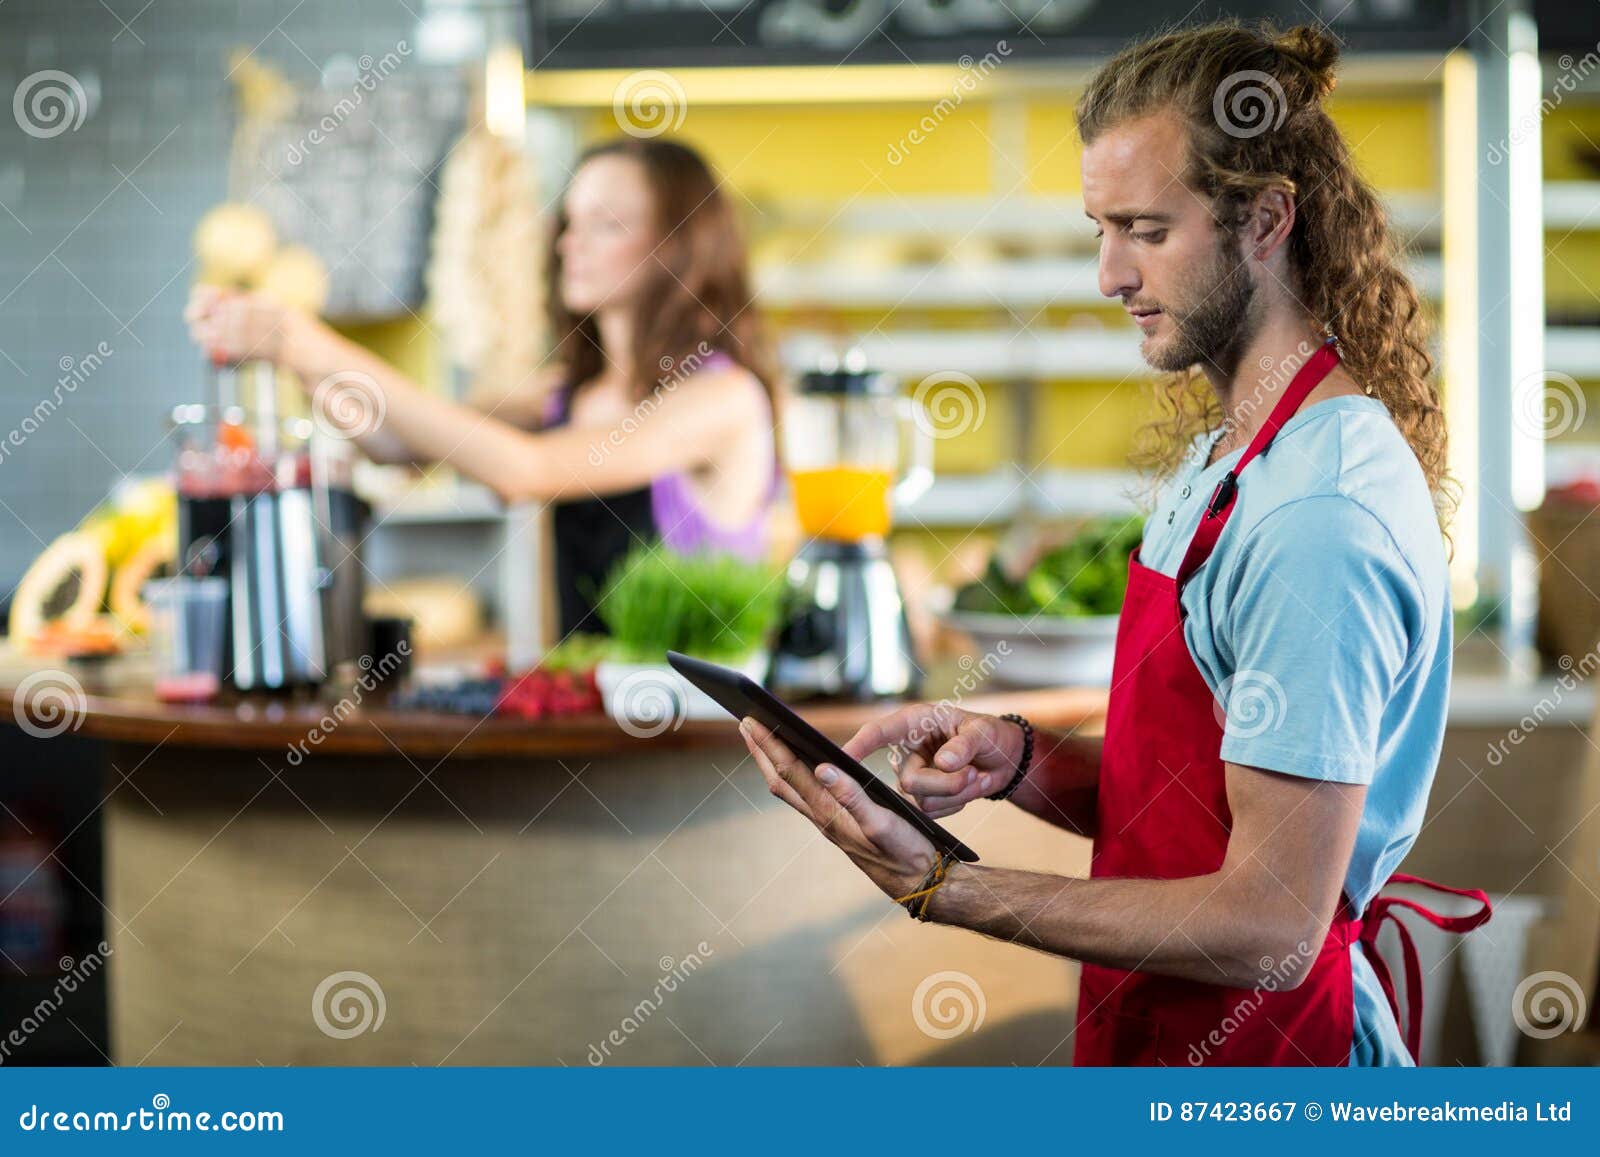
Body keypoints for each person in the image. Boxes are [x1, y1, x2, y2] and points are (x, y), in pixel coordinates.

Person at [739, 21, 1492, 1067]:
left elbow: (1269, 926)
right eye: (1101, 226)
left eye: (1143, 228)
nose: (1106, 272)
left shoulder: (1319, 514)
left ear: (1266, 219)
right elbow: (1192, 802)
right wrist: (1019, 756)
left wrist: (942, 883)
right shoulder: (1231, 456)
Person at [187, 137, 780, 635]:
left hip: (692, 731)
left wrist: (305, 341)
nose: (569, 242)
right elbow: (395, 443)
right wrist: (295, 359)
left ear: (678, 245)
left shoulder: (722, 399)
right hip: (588, 708)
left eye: (607, 224)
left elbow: (526, 470)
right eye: (569, 221)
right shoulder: (562, 396)